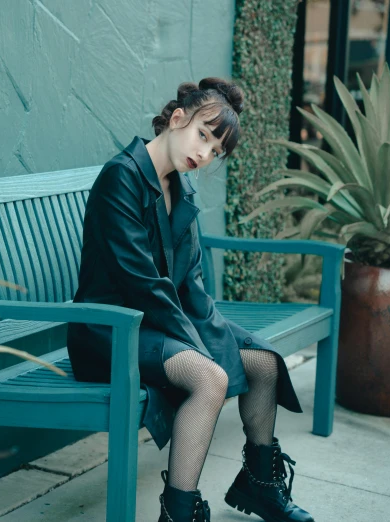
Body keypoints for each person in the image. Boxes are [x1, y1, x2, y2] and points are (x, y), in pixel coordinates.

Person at [66, 78, 314, 522]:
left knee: (264, 363)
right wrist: (201, 351)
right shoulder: (120, 177)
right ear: (177, 119)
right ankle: (179, 512)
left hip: (157, 322)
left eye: (215, 151)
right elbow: (141, 282)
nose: (203, 154)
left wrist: (213, 336)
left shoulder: (180, 188)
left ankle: (259, 485)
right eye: (203, 135)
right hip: (109, 328)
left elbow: (191, 285)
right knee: (209, 378)